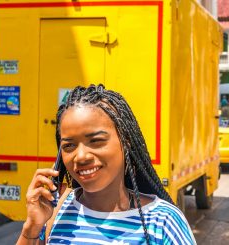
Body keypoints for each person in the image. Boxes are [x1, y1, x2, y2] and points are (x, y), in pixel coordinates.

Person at [17, 84, 196, 244]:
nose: (80, 156)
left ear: (125, 143)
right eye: (69, 145)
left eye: (96, 141)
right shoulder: (54, 212)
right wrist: (32, 227)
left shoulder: (162, 222)